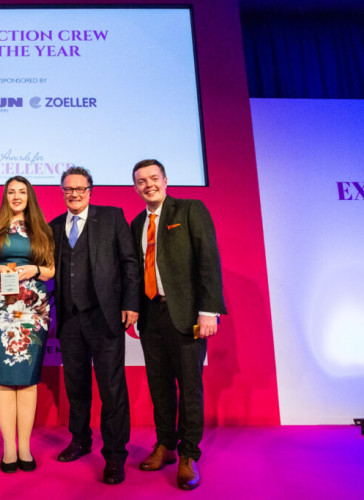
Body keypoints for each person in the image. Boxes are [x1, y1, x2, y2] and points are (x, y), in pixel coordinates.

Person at [130, 159, 227, 491]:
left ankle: (188, 454)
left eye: (153, 178)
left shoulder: (190, 210)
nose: (148, 185)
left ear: (166, 180)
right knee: (159, 387)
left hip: (186, 314)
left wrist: (209, 310)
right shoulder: (135, 224)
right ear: (136, 187)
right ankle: (166, 445)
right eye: (141, 181)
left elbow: (208, 259)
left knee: (189, 387)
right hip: (151, 315)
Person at [49, 166, 140, 485]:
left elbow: (130, 263)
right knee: (76, 386)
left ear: (90, 190)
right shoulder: (55, 225)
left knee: (112, 388)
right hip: (70, 319)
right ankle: (80, 440)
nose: (74, 194)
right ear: (62, 192)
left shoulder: (113, 217)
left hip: (106, 316)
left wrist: (131, 303)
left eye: (80, 188)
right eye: (68, 189)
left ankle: (115, 454)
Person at [0, 176, 55, 473]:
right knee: (4, 379)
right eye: (11, 192)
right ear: (5, 196)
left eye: (22, 192)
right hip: (1, 307)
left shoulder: (43, 229)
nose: (17, 196)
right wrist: (0, 269)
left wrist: (34, 268)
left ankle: (25, 449)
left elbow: (51, 270)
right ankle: (9, 449)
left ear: (30, 196)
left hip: (33, 309)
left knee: (29, 378)